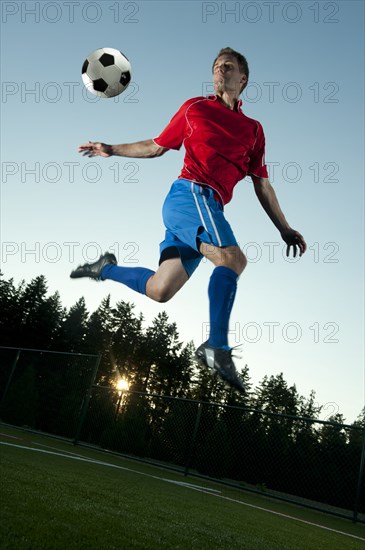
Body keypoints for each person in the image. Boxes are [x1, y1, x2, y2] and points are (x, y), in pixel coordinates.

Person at [71, 47, 307, 393]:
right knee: (233, 258)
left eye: (227, 66)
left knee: (160, 290)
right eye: (215, 66)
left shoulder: (254, 131)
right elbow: (156, 146)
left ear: (243, 79)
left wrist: (284, 228)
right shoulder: (195, 108)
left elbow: (263, 184)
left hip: (208, 211)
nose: (219, 70)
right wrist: (111, 148)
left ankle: (104, 268)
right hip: (190, 196)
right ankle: (217, 347)